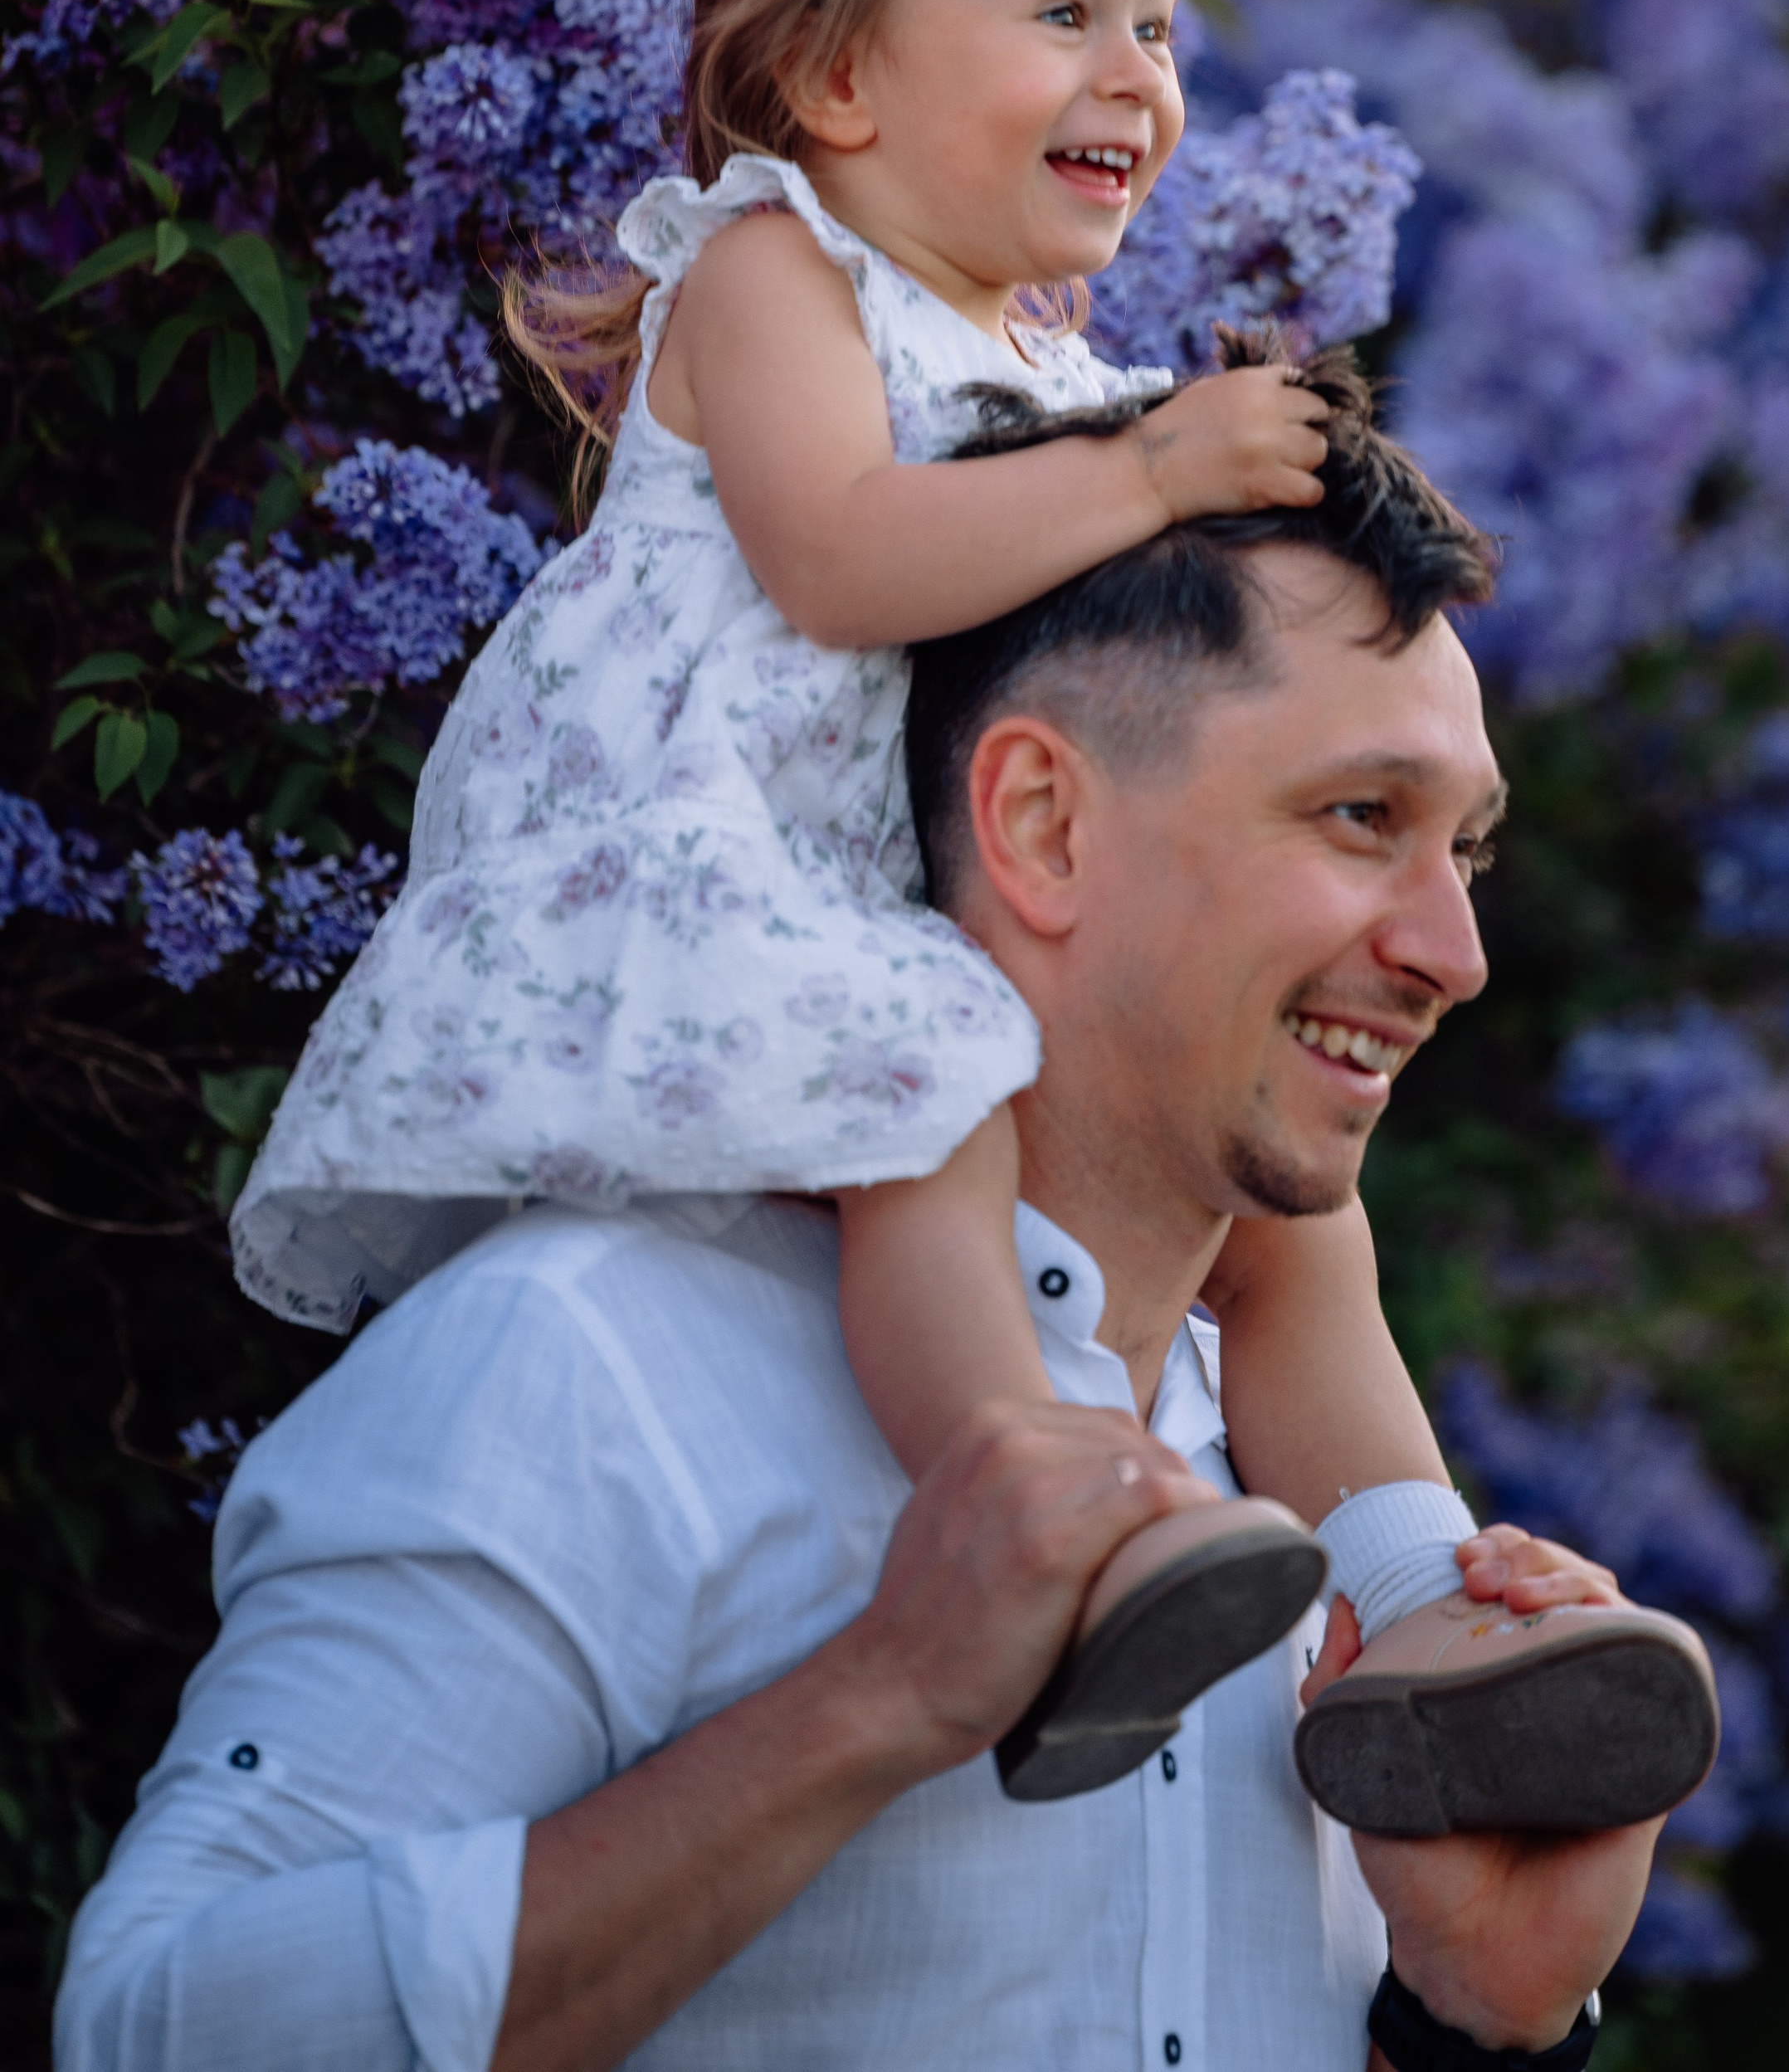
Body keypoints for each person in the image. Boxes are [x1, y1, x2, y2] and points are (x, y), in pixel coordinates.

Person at [227, 0, 1709, 1804]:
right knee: (919, 1106)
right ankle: (1042, 1523)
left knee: (1293, 1221)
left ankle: (1424, 1605)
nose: (1138, 72)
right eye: (1062, 13)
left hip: (926, 866)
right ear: (837, 77)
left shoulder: (1051, 358)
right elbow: (837, 558)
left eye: (1157, 21)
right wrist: (1149, 467)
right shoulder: (773, 269)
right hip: (750, 857)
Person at [58, 358, 1677, 2072]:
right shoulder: (592, 1364)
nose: (1452, 951)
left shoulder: (1328, 1527)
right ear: (1041, 822)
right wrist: (878, 1698)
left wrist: (1473, 2019)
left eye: (1464, 849)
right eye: (1361, 817)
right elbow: (161, 2028)